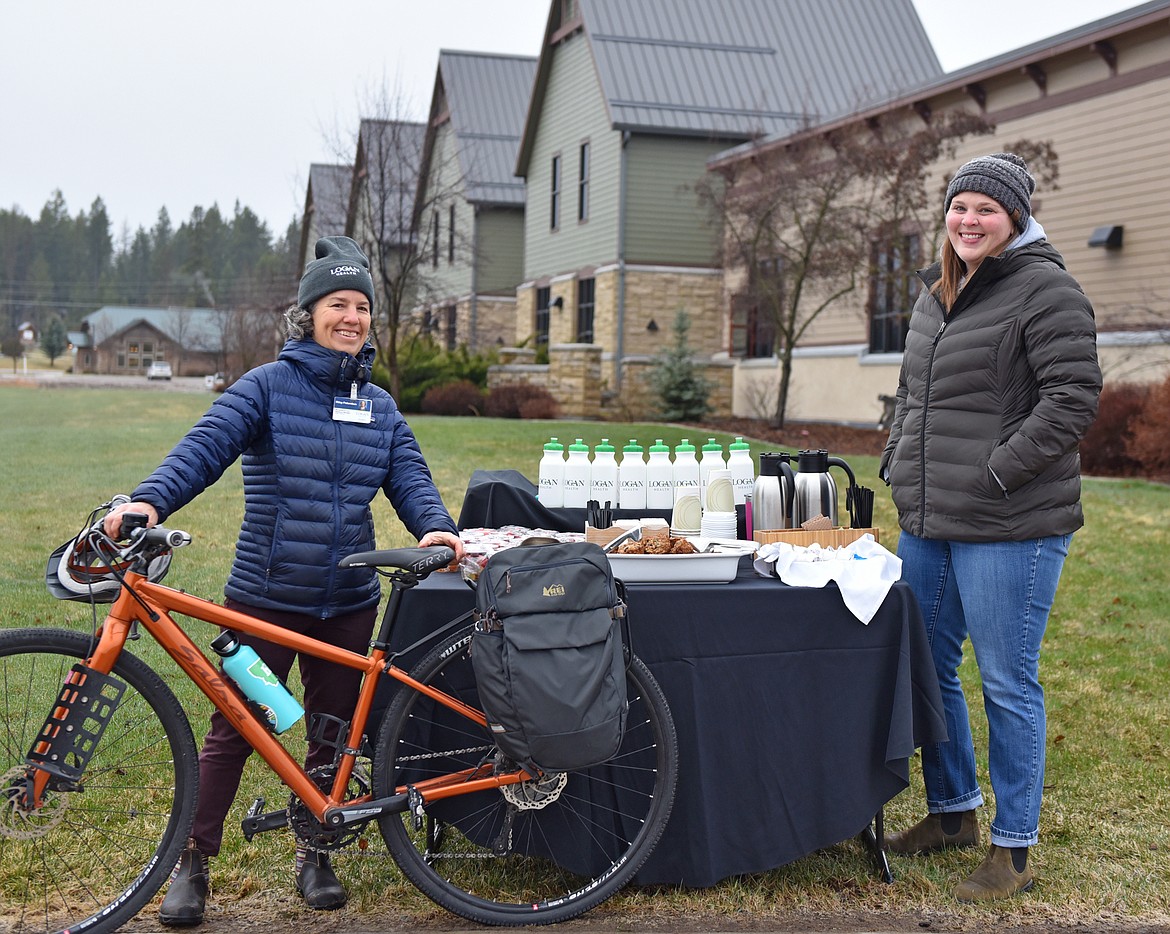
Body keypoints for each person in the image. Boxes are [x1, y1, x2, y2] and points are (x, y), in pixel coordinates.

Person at [104, 236, 464, 926]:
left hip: (349, 605)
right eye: (339, 304)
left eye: (361, 306)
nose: (352, 317)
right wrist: (149, 500)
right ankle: (193, 864)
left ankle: (317, 851)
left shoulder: (379, 406)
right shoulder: (267, 386)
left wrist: (435, 527)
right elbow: (204, 447)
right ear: (310, 315)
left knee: (332, 735)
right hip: (266, 601)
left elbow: (409, 476)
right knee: (238, 727)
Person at [879, 153, 1100, 901]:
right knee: (927, 666)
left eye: (986, 210)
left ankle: (1014, 849)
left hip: (1012, 521)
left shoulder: (1047, 288)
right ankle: (952, 813)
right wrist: (897, 460)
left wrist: (998, 471)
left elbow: (1071, 400)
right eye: (959, 206)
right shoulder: (938, 289)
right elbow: (912, 395)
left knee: (1007, 681)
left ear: (1015, 220)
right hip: (931, 514)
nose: (969, 221)